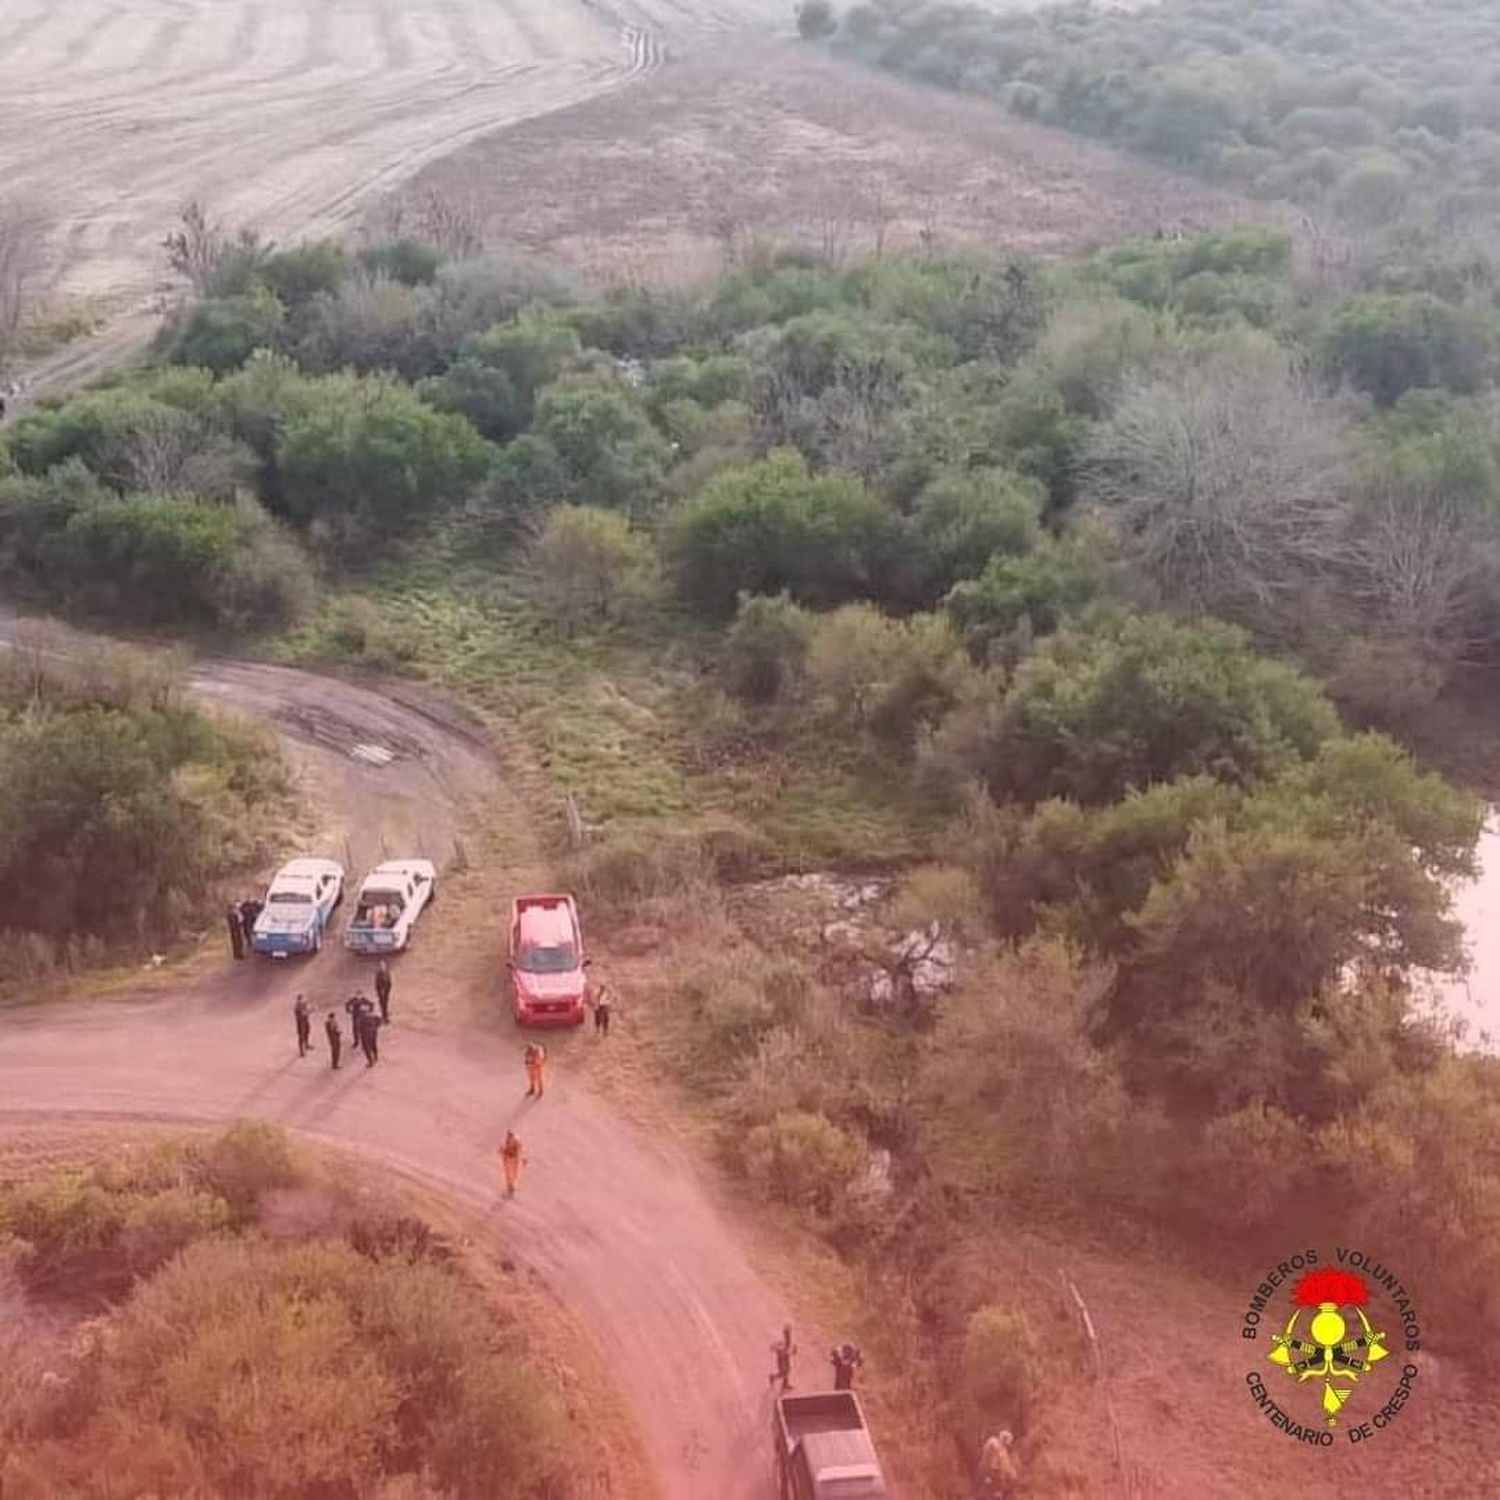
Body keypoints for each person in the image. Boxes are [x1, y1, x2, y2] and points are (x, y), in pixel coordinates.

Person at [976, 1431, 1020, 1497]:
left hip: (996, 1474)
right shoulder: (993, 1443)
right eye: (1008, 1441)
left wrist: (1012, 1475)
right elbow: (987, 1458)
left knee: (995, 1491)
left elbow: (1005, 1466)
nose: (1009, 1444)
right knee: (986, 1489)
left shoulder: (1003, 1450)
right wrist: (987, 1474)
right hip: (990, 1472)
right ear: (1004, 1439)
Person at [769, 1325, 797, 1392]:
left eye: (789, 1334)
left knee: (787, 1370)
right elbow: (773, 1347)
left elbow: (791, 1351)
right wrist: (779, 1351)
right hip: (781, 1360)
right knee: (783, 1372)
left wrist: (793, 1351)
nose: (788, 1336)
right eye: (787, 1334)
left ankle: (785, 1384)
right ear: (784, 1334)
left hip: (785, 1359)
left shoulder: (788, 1342)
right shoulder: (782, 1342)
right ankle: (772, 1377)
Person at [499, 1129, 524, 1197]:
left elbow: (518, 1149)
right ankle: (510, 1186)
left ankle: (511, 1186)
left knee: (512, 1173)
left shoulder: (515, 1140)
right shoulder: (510, 1140)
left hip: (512, 1158)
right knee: (510, 1173)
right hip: (509, 1158)